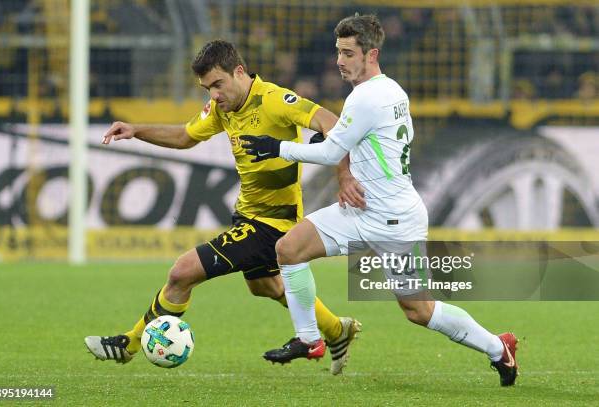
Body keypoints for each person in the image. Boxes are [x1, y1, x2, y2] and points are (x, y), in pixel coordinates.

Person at [242, 14, 519, 386]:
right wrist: (343, 153)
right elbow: (363, 142)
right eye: (337, 51)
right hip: (360, 207)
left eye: (348, 53)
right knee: (289, 249)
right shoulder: (391, 91)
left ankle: (498, 348)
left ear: (371, 54)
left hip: (394, 219)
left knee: (418, 310)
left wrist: (277, 147)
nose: (339, 61)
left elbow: (329, 154)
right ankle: (309, 339)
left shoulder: (367, 97)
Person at [84, 39, 361, 375]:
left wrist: (344, 177)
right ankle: (337, 330)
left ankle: (128, 343)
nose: (213, 95)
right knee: (266, 286)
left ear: (239, 71)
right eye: (206, 88)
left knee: (182, 272)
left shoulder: (275, 100)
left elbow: (331, 122)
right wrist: (137, 130)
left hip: (273, 223)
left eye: (217, 84)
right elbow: (186, 137)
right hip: (247, 215)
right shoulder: (222, 108)